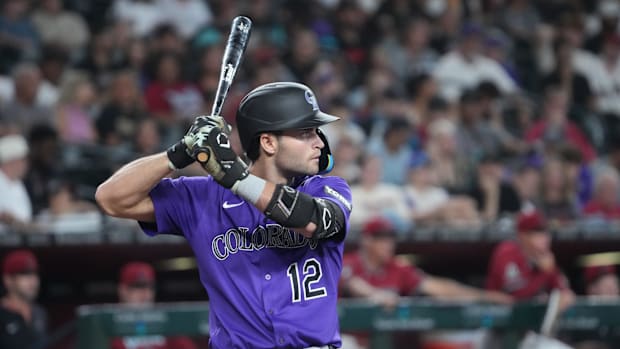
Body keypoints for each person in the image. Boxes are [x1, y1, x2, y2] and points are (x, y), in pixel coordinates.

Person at [96, 82, 352, 348]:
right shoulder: (204, 197)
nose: (320, 142)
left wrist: (236, 178)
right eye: (305, 132)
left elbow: (315, 221)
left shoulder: (325, 188)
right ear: (268, 142)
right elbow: (111, 199)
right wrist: (181, 152)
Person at [340, 216, 513, 307]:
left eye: (391, 238)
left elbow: (439, 288)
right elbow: (354, 284)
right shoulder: (348, 262)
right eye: (382, 238)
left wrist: (485, 296)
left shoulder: (397, 268)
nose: (389, 244)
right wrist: (374, 295)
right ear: (367, 240)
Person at [486, 210, 575, 309]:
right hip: (500, 315)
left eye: (544, 232)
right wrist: (545, 273)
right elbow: (516, 298)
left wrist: (552, 272)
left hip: (529, 318)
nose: (544, 238)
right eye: (537, 232)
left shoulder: (543, 257)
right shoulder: (507, 253)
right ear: (522, 235)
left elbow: (563, 291)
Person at [110, 261, 197, 349]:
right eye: (138, 286)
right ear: (122, 290)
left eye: (150, 287)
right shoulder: (110, 325)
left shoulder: (164, 323)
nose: (146, 294)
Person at [0, 249, 47, 349]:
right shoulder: (2, 314)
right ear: (8, 280)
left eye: (35, 274)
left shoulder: (40, 313)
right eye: (25, 274)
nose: (33, 280)